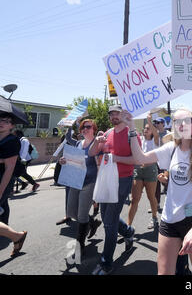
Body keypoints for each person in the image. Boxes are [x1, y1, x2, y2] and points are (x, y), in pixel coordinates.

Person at [122, 108, 192, 275]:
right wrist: (131, 128)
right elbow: (140, 159)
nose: (181, 125)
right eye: (177, 121)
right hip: (170, 220)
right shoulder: (170, 149)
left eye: (186, 120)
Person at [88, 105, 139, 275]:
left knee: (109, 223)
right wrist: (97, 141)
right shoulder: (108, 133)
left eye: (117, 113)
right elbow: (91, 153)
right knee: (107, 217)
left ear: (123, 114)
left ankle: (106, 263)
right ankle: (128, 231)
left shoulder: (132, 133)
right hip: (105, 179)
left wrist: (116, 158)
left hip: (123, 179)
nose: (114, 116)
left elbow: (137, 159)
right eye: (111, 114)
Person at [59, 119, 102, 262]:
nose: (85, 129)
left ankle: (80, 246)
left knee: (81, 215)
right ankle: (93, 223)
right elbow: (72, 157)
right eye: (83, 127)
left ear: (94, 128)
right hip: (76, 182)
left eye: (88, 127)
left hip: (89, 182)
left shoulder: (97, 142)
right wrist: (64, 161)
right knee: (71, 212)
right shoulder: (78, 144)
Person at [128, 114, 160, 231]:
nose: (145, 130)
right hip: (138, 170)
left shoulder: (155, 141)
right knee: (134, 199)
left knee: (151, 197)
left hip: (151, 170)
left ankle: (154, 217)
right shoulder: (139, 139)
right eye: (145, 128)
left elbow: (156, 133)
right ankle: (128, 226)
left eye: (148, 129)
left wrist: (149, 121)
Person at [0, 113, 23, 225]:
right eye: (0, 120)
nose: (2, 123)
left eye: (6, 121)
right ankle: (5, 230)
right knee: (3, 204)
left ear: (12, 126)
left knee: (2, 200)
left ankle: (8, 233)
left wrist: (0, 191)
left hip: (4, 178)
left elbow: (9, 169)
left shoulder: (12, 141)